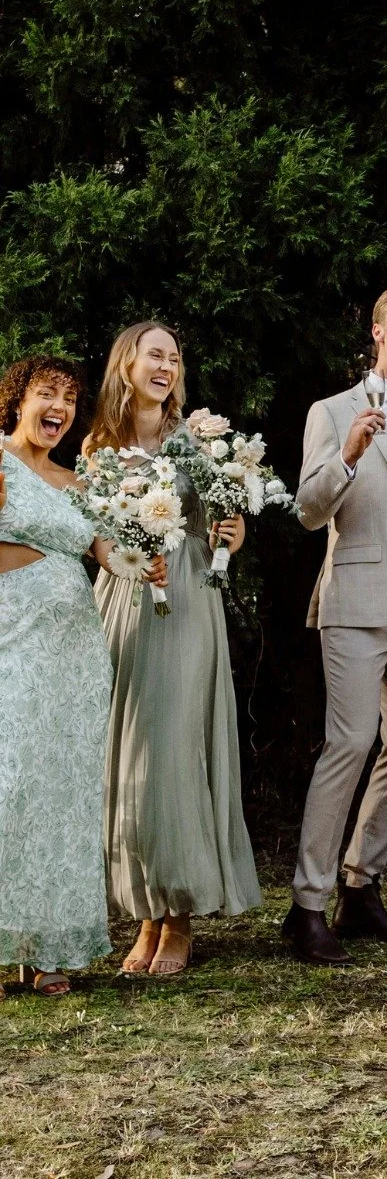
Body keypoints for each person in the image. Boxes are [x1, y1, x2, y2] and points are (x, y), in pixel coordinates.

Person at [282, 286, 387, 965]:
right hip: (355, 603)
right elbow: (307, 509)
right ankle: (306, 904)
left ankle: (360, 885)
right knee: (349, 744)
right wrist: (348, 453)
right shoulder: (333, 411)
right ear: (377, 332)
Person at [88, 322, 261, 977]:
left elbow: (222, 537)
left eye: (175, 357)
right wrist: (127, 558)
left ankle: (180, 915)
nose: (167, 365)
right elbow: (97, 538)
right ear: (126, 363)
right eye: (154, 354)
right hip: (123, 606)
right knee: (131, 757)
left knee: (173, 754)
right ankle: (146, 913)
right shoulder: (99, 448)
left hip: (187, 601)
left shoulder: (198, 442)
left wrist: (230, 538)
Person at [0, 357, 163, 996]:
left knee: (62, 796)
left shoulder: (75, 482)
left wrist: (144, 566)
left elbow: (106, 552)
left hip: (74, 655)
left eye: (69, 398)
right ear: (18, 401)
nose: (59, 408)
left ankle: (49, 949)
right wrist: (39, 554)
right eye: (48, 394)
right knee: (9, 782)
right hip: (12, 643)